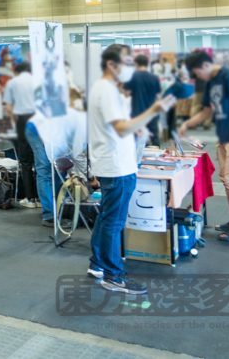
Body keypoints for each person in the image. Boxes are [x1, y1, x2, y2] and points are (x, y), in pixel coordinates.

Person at [88, 44, 171, 295]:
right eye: (126, 63)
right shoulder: (106, 90)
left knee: (107, 218)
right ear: (112, 64)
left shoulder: (109, 89)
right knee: (113, 222)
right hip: (116, 165)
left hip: (116, 161)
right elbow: (122, 128)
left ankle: (98, 264)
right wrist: (154, 110)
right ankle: (114, 275)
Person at [179, 51, 229, 244]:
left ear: (205, 65)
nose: (198, 77)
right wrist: (187, 125)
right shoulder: (211, 82)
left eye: (197, 73)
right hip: (224, 135)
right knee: (227, 179)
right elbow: (207, 111)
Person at [26, 104, 88, 227]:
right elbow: (78, 155)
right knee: (45, 171)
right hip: (37, 130)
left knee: (59, 170)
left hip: (53, 130)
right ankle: (49, 215)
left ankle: (56, 207)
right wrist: (90, 178)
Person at [3, 62, 38, 206]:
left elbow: (8, 107)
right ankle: (41, 198)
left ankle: (30, 198)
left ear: (16, 71)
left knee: (25, 161)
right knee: (40, 159)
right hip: (38, 120)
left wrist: (15, 121)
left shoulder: (12, 82)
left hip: (21, 120)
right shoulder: (37, 80)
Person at [125, 54, 162, 146]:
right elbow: (158, 95)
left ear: (136, 64)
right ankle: (156, 153)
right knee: (154, 139)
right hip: (152, 112)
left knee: (138, 139)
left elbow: (126, 93)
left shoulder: (132, 76)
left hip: (138, 113)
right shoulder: (154, 77)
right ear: (147, 64)